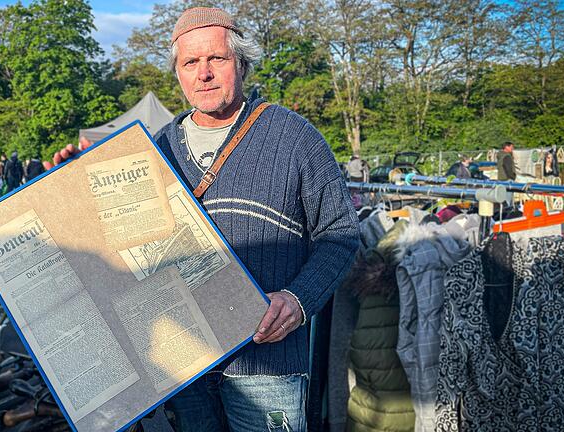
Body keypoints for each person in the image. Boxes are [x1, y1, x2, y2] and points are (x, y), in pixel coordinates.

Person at [48, 8, 360, 431]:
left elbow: (340, 235)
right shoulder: (157, 150)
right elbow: (120, 246)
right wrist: (71, 187)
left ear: (242, 63)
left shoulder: (294, 138)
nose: (204, 73)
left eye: (217, 59)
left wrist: (300, 298)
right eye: (190, 63)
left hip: (266, 362)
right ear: (178, 73)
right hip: (183, 363)